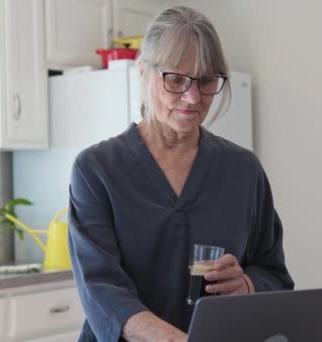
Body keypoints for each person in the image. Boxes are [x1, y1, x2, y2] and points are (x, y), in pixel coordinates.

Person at [68, 6, 294, 342]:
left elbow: (274, 275)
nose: (192, 97)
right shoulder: (96, 170)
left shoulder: (244, 171)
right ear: (143, 71)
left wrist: (246, 284)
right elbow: (104, 294)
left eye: (206, 81)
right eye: (175, 79)